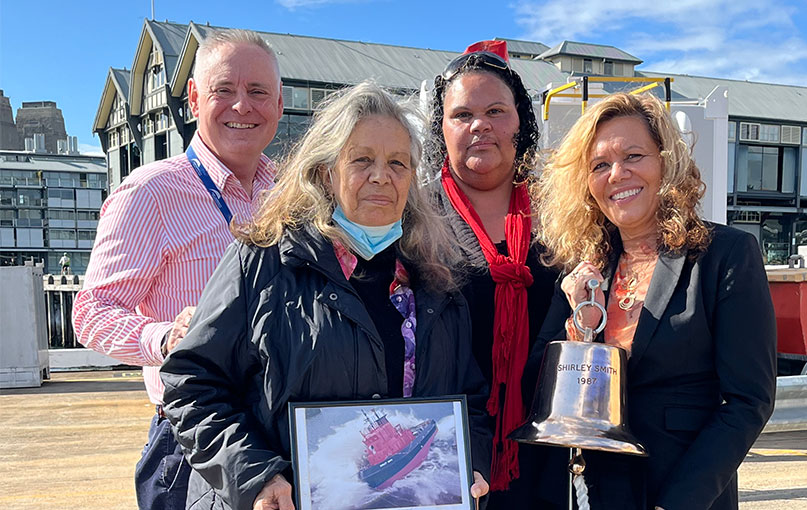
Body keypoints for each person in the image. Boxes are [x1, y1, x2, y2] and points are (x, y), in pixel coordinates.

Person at [160, 81, 491, 510]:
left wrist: (470, 463)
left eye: (398, 163)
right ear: (324, 172)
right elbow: (191, 384)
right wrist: (256, 476)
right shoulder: (261, 263)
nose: (381, 176)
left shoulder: (437, 282)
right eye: (361, 160)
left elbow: (471, 401)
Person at [531, 92, 777, 510]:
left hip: (684, 490)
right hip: (595, 490)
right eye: (599, 165)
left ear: (665, 161)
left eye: (633, 156)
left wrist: (678, 501)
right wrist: (580, 326)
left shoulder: (726, 255)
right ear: (586, 185)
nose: (617, 174)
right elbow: (537, 386)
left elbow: (749, 401)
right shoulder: (584, 268)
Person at [71, 29, 283, 510]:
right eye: (223, 90)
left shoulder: (291, 193)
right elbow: (90, 312)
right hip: (194, 439)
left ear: (279, 102)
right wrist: (165, 338)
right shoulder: (149, 193)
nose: (241, 106)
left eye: (257, 92)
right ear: (193, 99)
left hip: (280, 430)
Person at [425, 40, 564, 508]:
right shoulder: (413, 218)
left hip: (550, 445)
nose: (479, 125)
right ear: (441, 129)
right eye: (462, 115)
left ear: (520, 121)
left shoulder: (563, 213)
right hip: (449, 446)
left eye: (496, 111)